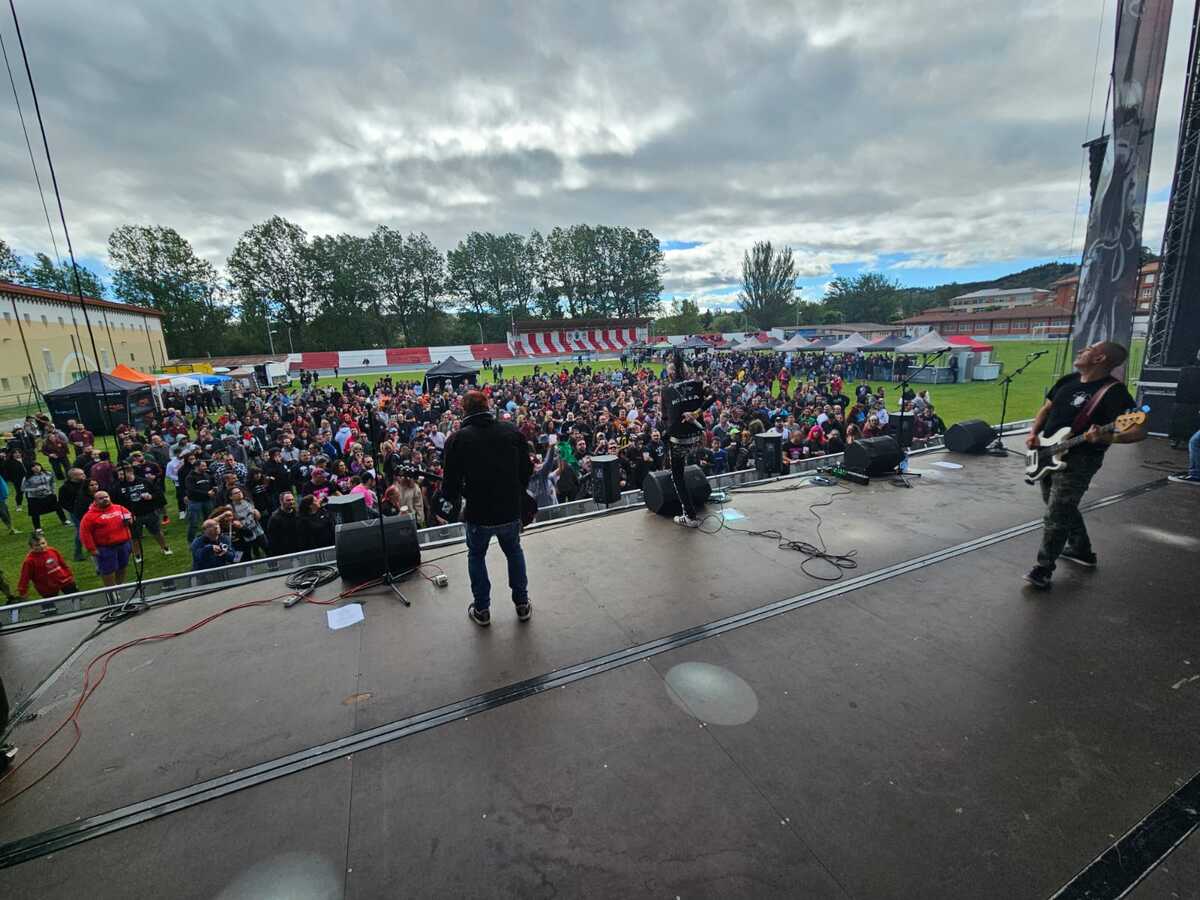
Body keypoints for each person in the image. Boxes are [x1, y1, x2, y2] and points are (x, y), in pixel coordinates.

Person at [1023, 341, 1146, 590]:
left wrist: (1106, 436)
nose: (1081, 351)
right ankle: (1081, 550)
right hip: (1047, 450)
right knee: (1058, 505)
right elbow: (1046, 409)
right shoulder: (1068, 380)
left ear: (1100, 359)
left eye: (1088, 349)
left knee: (1057, 512)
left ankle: (1043, 568)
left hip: (1080, 459)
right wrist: (1034, 432)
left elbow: (1138, 431)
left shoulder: (1114, 392)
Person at [441, 389, 533, 626]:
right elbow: (527, 469)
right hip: (510, 510)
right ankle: (522, 604)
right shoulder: (511, 431)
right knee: (514, 551)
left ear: (464, 410)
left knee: (476, 555)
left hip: (478, 513)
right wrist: (515, 490)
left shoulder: (458, 439)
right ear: (488, 405)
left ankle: (482, 610)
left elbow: (449, 485)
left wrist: (460, 495)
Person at [78, 489, 135, 587]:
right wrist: (92, 549)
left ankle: (120, 586)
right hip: (105, 548)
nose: (105, 499)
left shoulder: (119, 508)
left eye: (106, 497)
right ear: (95, 501)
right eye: (101, 498)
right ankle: (111, 590)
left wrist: (130, 520)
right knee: (108, 570)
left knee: (123, 566)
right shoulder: (89, 516)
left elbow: (130, 517)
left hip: (124, 544)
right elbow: (85, 534)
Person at [17, 531, 77, 616]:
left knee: (76, 598)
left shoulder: (52, 550)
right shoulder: (29, 561)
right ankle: (51, 619)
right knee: (50, 609)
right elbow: (24, 577)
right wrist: (23, 591)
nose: (41, 546)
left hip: (64, 580)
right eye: (37, 545)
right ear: (31, 547)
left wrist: (70, 575)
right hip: (47, 587)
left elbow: (63, 564)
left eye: (43, 543)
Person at [21, 462, 67, 530]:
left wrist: (52, 491)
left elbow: (52, 482)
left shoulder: (48, 474)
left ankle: (64, 520)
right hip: (34, 498)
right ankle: (37, 528)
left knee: (58, 508)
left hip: (49, 495)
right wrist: (35, 489)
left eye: (38, 465)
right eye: (33, 466)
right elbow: (23, 488)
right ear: (30, 469)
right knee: (35, 513)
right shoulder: (27, 477)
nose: (36, 467)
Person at [267, 491, 302, 555]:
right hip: (284, 552)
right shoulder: (275, 519)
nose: (291, 502)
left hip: (300, 548)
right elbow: (273, 540)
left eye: (292, 500)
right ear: (281, 502)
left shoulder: (298, 513)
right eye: (288, 500)